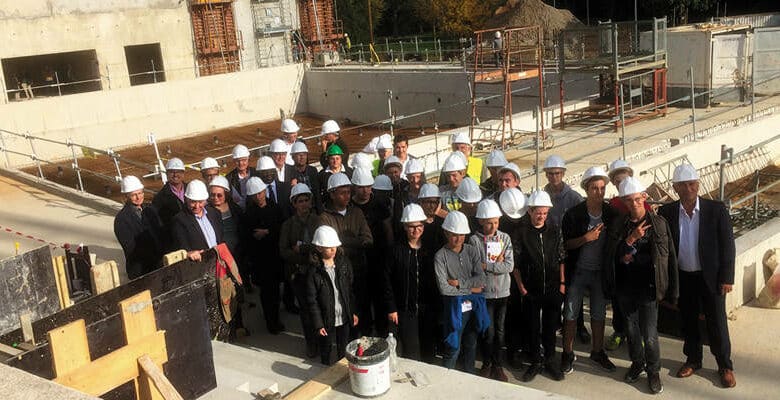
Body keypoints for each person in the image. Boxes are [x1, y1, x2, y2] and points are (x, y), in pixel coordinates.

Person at [658, 164, 736, 388]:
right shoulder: (667, 212)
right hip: (683, 277)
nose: (688, 189)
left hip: (711, 277)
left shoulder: (716, 210)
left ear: (698, 184)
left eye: (692, 184)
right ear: (675, 188)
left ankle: (725, 365)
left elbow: (727, 245)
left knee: (717, 322)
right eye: (683, 185)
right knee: (688, 320)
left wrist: (727, 277)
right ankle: (693, 360)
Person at [604, 177, 678, 395]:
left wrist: (673, 290)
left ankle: (653, 371)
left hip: (649, 288)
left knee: (650, 334)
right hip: (626, 287)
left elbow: (669, 257)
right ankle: (637, 363)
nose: (634, 204)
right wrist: (629, 240)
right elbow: (610, 255)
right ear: (624, 202)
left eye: (637, 199)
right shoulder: (619, 224)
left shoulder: (659, 223)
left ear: (644, 197)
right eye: (629, 200)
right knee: (631, 330)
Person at [560, 167, 617, 375]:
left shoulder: (611, 214)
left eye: (602, 188)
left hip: (600, 273)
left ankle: (597, 351)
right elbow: (565, 245)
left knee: (598, 313)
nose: (599, 192)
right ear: (586, 189)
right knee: (570, 313)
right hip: (578, 271)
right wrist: (586, 238)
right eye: (594, 188)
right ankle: (567, 352)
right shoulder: (574, 214)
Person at [513, 190, 566, 382]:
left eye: (544, 213)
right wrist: (522, 288)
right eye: (538, 212)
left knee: (550, 326)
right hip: (531, 289)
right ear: (530, 211)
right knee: (533, 327)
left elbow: (561, 258)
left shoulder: (555, 231)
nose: (541, 216)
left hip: (553, 287)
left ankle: (550, 360)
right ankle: (536, 361)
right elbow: (516, 264)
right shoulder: (522, 233)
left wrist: (562, 284)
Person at [320, 173, 373, 336]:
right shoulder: (325, 217)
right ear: (332, 194)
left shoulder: (356, 212)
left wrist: (342, 241)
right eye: (342, 193)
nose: (347, 196)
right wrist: (354, 243)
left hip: (359, 267)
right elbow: (329, 247)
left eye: (348, 192)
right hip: (338, 271)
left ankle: (366, 334)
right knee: (345, 305)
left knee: (363, 303)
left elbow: (368, 239)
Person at [543, 154, 589, 343]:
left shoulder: (574, 198)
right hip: (551, 252)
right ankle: (556, 323)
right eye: (550, 173)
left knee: (574, 290)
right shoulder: (543, 196)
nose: (554, 176)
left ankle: (579, 325)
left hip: (571, 251)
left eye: (557, 173)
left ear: (563, 173)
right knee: (555, 289)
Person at [384, 204, 438, 362]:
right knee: (411, 350)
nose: (416, 230)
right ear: (404, 227)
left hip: (427, 308)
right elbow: (386, 281)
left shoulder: (429, 249)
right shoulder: (395, 250)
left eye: (420, 225)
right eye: (411, 226)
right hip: (405, 309)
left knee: (429, 348)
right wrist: (391, 308)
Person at [435, 211, 487, 374]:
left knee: (471, 343)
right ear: (446, 233)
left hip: (473, 307)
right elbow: (444, 288)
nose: (458, 239)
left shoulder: (471, 251)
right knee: (453, 346)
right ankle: (447, 377)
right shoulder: (440, 256)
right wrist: (472, 290)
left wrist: (459, 284)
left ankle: (469, 375)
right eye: (454, 235)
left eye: (462, 235)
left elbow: (482, 279)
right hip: (454, 308)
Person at [605, 159, 649, 352]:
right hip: (620, 260)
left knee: (640, 303)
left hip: (640, 261)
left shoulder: (642, 203)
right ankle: (619, 331)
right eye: (617, 181)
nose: (621, 183)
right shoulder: (614, 205)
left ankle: (640, 335)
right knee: (619, 301)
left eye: (623, 180)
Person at [470, 199, 514, 382]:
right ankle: (487, 363)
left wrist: (487, 265)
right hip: (485, 293)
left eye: (496, 222)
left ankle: (498, 365)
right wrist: (496, 263)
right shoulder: (474, 241)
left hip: (502, 292)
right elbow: (475, 267)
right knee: (488, 331)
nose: (493, 226)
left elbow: (509, 266)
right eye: (489, 223)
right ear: (481, 221)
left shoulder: (505, 238)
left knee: (500, 331)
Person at [305, 225, 358, 365]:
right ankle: (325, 368)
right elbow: (312, 301)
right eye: (329, 247)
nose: (333, 250)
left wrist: (352, 312)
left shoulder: (344, 263)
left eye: (335, 246)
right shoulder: (314, 272)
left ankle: (342, 368)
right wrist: (318, 324)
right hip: (326, 319)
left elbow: (350, 291)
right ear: (319, 248)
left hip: (344, 316)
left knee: (344, 348)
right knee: (326, 348)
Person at [280, 183, 322, 358]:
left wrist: (302, 249)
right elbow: (284, 251)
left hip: (318, 272)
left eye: (306, 200)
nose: (304, 204)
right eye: (300, 201)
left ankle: (323, 341)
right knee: (306, 310)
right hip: (299, 273)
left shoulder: (319, 221)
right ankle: (311, 343)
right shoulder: (288, 225)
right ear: (294, 204)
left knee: (321, 307)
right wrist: (304, 257)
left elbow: (321, 245)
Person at [351, 168, 393, 336]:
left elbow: (388, 231)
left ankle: (382, 331)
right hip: (358, 260)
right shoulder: (350, 207)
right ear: (354, 187)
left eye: (368, 187)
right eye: (361, 187)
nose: (365, 191)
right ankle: (366, 331)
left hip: (378, 258)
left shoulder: (379, 205)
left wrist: (388, 253)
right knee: (362, 298)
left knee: (380, 297)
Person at [243, 176, 286, 334]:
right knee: (267, 292)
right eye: (255, 195)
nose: (258, 197)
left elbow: (282, 227)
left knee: (275, 291)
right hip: (261, 260)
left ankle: (275, 317)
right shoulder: (249, 214)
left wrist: (267, 232)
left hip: (275, 255)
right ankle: (271, 322)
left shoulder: (274, 207)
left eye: (260, 193)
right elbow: (247, 237)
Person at [113, 176, 163, 280]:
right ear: (126, 196)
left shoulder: (150, 209)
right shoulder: (121, 219)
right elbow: (131, 248)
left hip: (159, 264)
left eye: (140, 193)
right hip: (141, 271)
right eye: (134, 195)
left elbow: (161, 232)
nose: (138, 197)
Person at [170, 180, 223, 262]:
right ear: (186, 199)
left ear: (205, 200)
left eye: (200, 202)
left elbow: (220, 240)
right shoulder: (179, 220)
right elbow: (181, 248)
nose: (197, 206)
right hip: (199, 265)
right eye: (193, 202)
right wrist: (188, 253)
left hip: (219, 261)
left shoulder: (215, 213)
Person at [153, 158, 187, 252]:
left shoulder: (191, 189)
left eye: (178, 171)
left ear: (183, 173)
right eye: (172, 172)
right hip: (176, 243)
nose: (175, 175)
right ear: (167, 174)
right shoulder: (159, 199)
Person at [289, 141, 322, 212]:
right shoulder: (289, 173)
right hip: (299, 212)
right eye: (299, 155)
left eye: (304, 154)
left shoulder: (312, 170)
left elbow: (317, 192)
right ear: (293, 157)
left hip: (314, 210)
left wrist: (320, 211)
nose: (302, 157)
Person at [256, 156, 292, 220]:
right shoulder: (255, 193)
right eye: (265, 172)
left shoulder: (286, 187)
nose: (269, 174)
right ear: (259, 173)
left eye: (271, 171)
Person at [226, 144, 255, 210]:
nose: (241, 163)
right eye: (238, 161)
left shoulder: (256, 173)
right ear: (234, 161)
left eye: (244, 160)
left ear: (248, 159)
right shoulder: (228, 179)